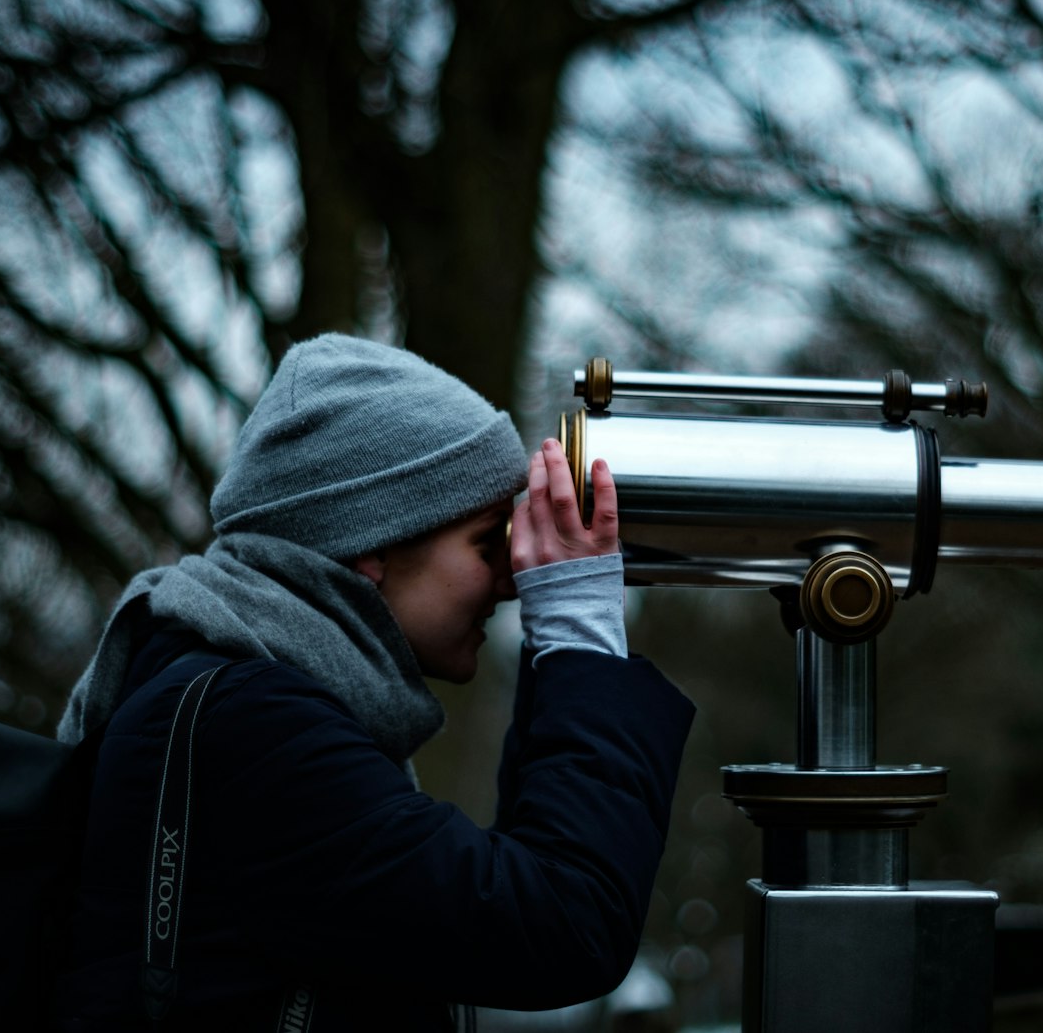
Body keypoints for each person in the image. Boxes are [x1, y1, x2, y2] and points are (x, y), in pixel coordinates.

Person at [54, 335, 695, 1031]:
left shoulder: (240, 701)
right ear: (372, 544)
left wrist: (558, 655)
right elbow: (563, 923)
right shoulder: (252, 728)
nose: (512, 580)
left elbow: (502, 888)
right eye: (488, 541)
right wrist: (580, 639)